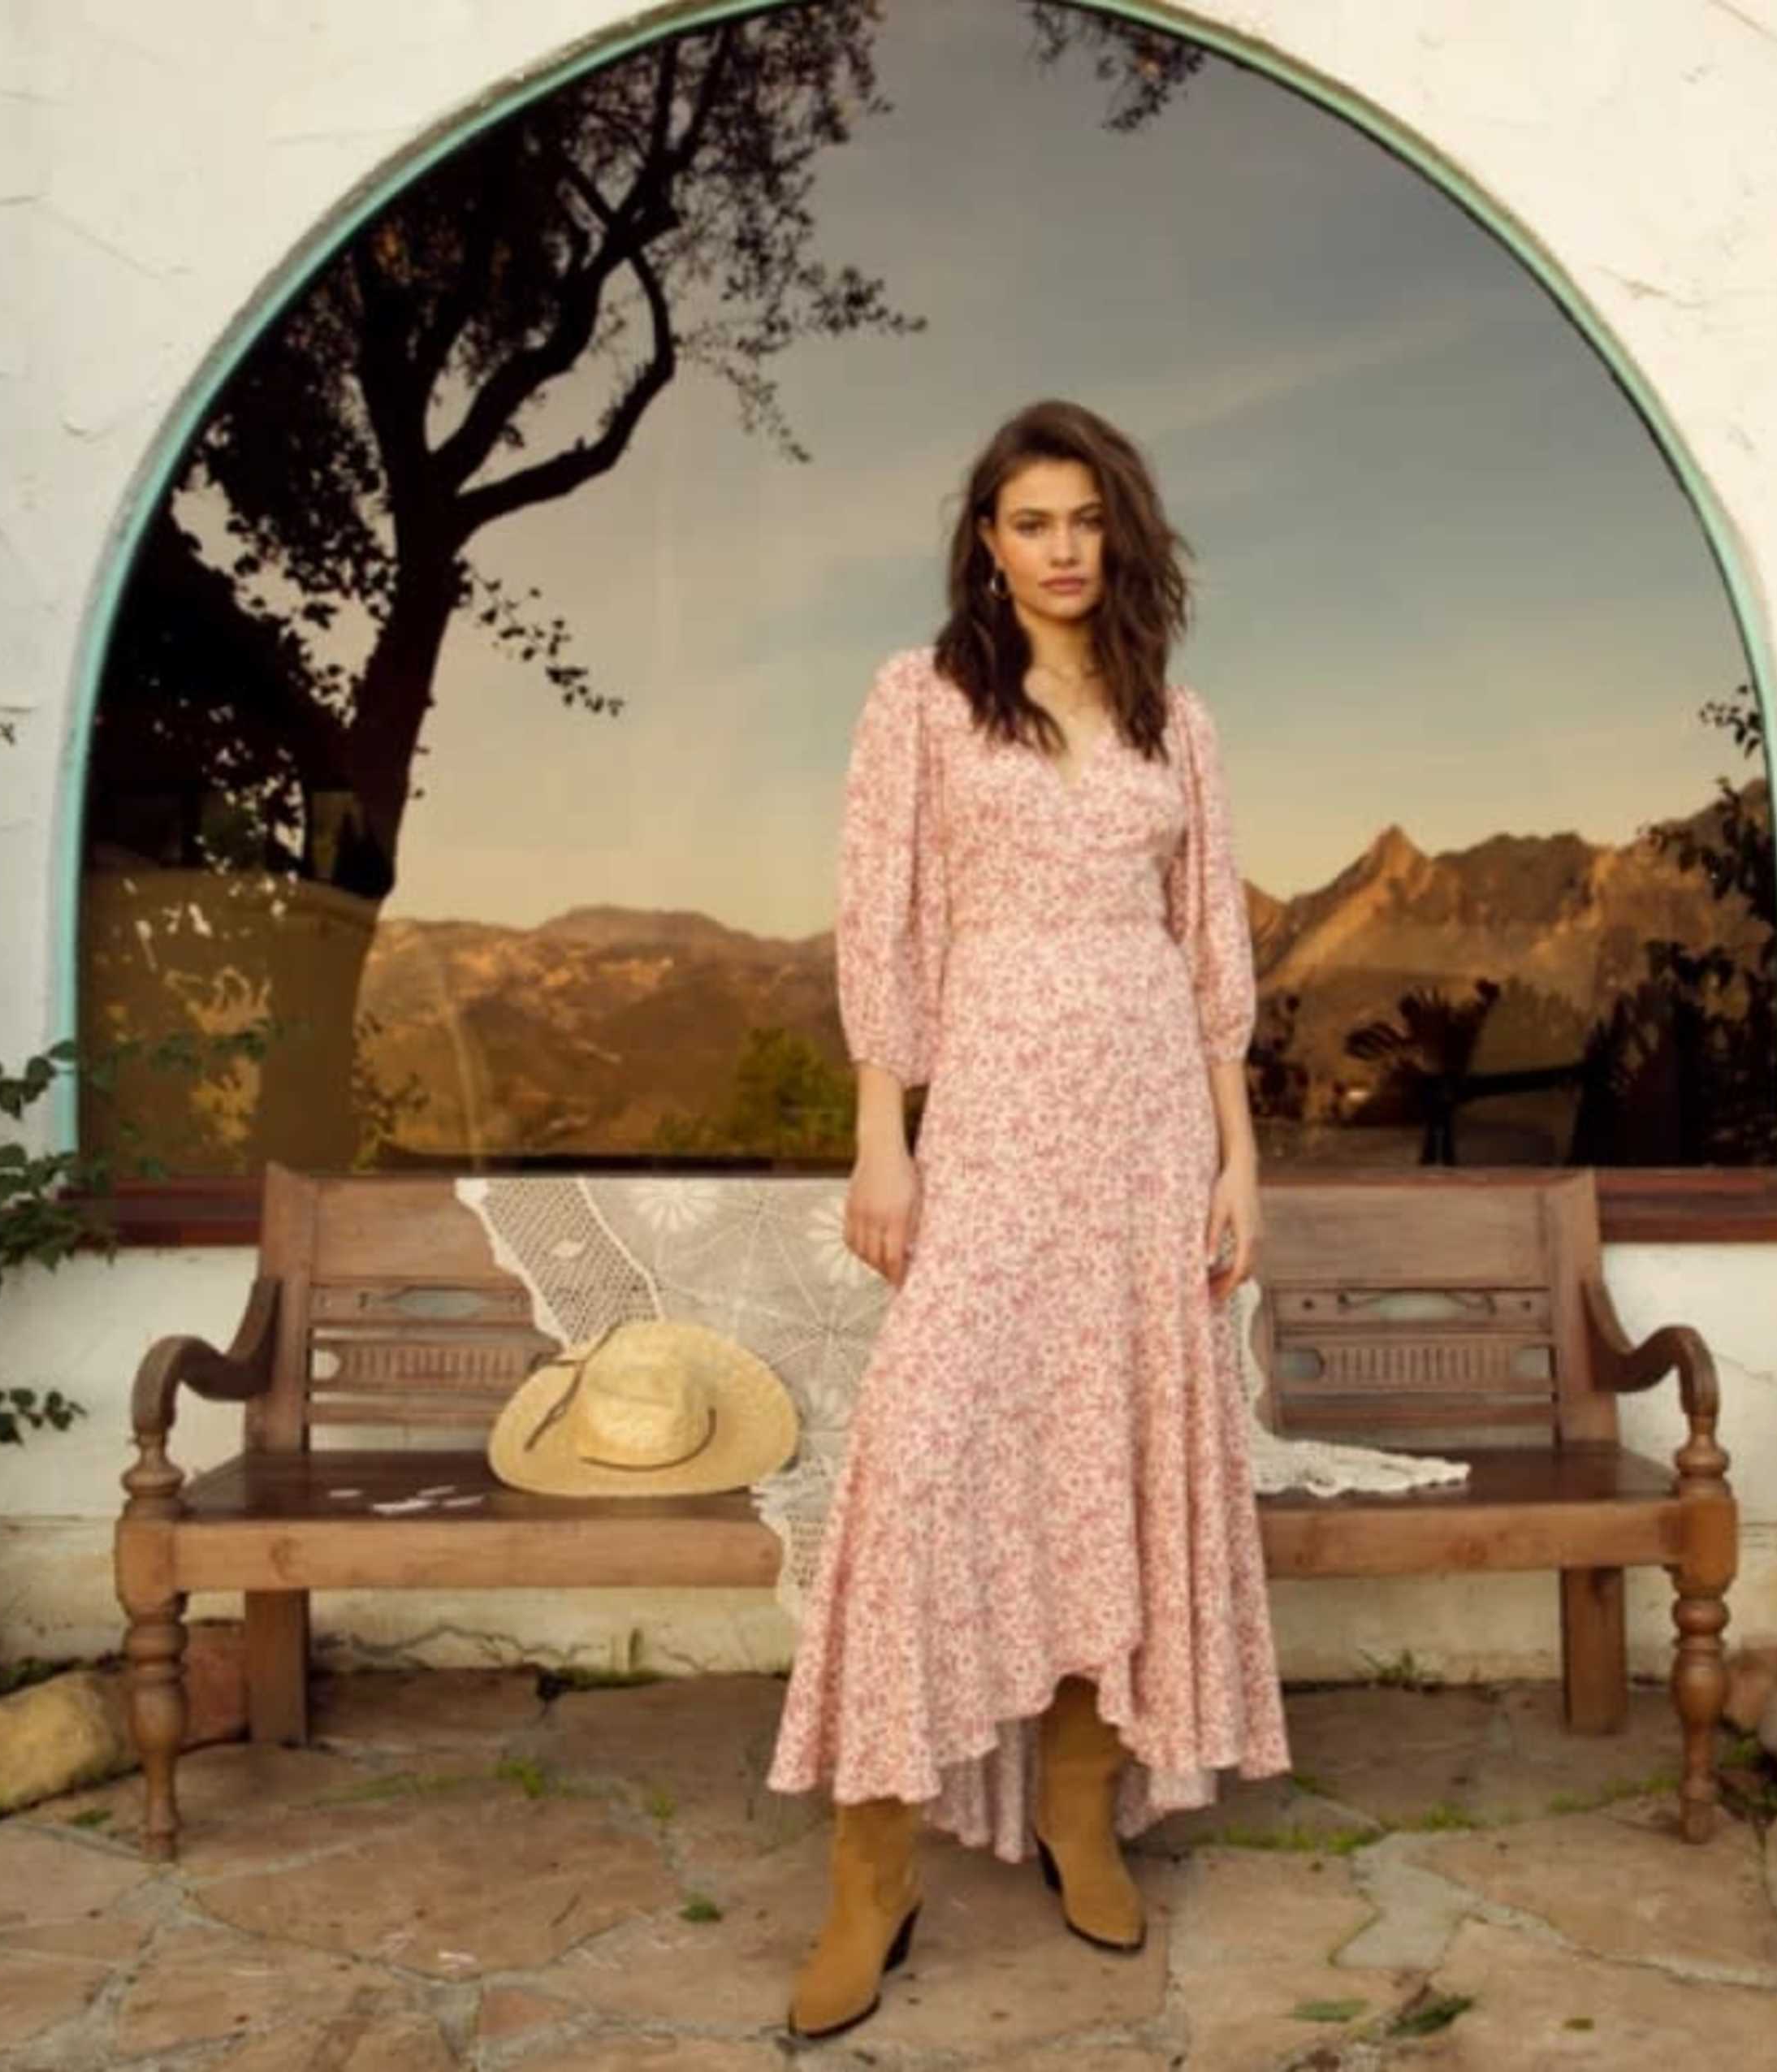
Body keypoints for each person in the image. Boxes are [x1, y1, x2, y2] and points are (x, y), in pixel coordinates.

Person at [767, 400, 1291, 2038]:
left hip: (1147, 1134)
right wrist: (884, 1138)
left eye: (1086, 519)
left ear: (1119, 533)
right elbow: (882, 922)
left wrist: (1237, 1158)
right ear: (986, 545)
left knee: (1107, 1466)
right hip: (993, 1123)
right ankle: (872, 1877)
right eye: (1030, 522)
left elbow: (1208, 955)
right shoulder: (922, 700)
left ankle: (1080, 1809)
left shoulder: (1175, 722)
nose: (1063, 549)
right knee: (922, 1467)